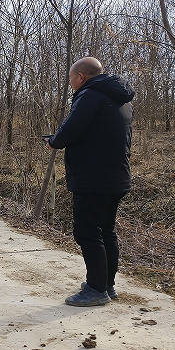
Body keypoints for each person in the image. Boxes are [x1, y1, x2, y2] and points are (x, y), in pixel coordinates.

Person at [45, 57, 134, 307]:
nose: (71, 84)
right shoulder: (122, 99)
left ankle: (96, 289)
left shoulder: (89, 96)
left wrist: (53, 141)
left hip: (93, 179)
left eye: (71, 79)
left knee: (87, 232)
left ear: (81, 77)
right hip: (117, 176)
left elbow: (69, 132)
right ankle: (106, 284)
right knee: (106, 231)